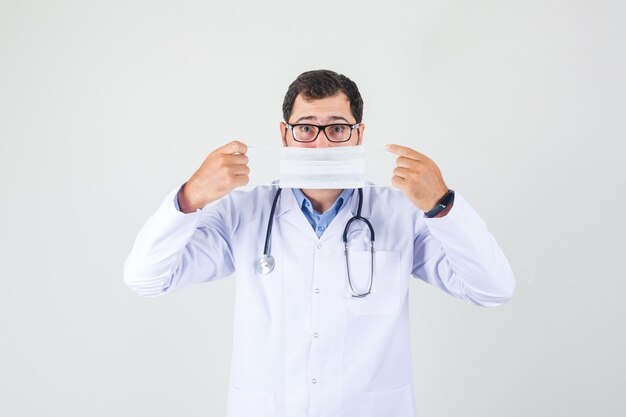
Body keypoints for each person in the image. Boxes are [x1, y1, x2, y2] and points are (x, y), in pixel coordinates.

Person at [123, 69, 515, 417]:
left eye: (338, 128)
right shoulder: (242, 214)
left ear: (359, 134)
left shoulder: (401, 213)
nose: (322, 145)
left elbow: (492, 290)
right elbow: (146, 279)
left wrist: (442, 203)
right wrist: (190, 197)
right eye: (306, 127)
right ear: (285, 134)